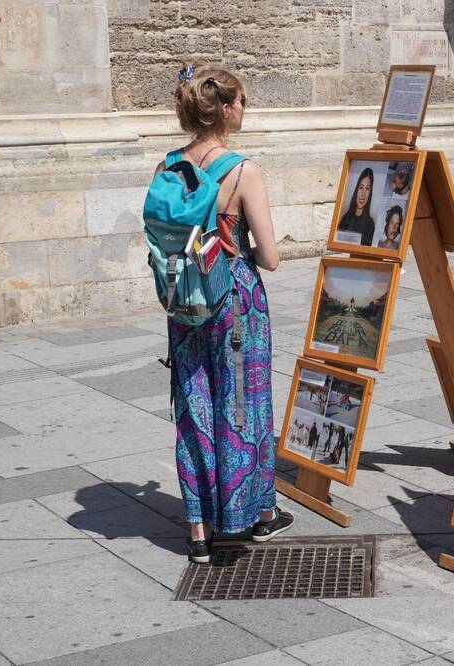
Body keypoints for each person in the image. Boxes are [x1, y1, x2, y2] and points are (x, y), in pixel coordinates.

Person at [162, 63, 293, 564]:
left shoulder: (168, 165)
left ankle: (198, 531)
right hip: (233, 298)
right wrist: (239, 245)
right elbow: (272, 257)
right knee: (244, 404)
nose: (244, 110)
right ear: (224, 109)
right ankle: (257, 517)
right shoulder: (242, 170)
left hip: (185, 298)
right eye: (241, 102)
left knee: (194, 404)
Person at [337, 168, 376, 246]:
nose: (363, 194)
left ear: (370, 193)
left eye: (367, 189)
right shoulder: (345, 218)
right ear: (356, 190)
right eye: (361, 187)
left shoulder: (370, 224)